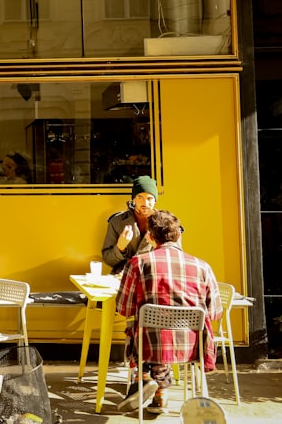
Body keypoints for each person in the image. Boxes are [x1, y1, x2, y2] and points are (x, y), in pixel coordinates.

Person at [115, 209, 222, 414]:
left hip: (150, 344)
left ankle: (143, 378)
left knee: (144, 328)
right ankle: (158, 392)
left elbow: (124, 309)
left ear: (151, 237)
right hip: (191, 345)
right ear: (179, 234)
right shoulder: (203, 267)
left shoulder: (137, 264)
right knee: (158, 331)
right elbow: (214, 312)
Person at [101, 175, 159, 274]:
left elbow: (174, 258)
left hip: (153, 276)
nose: (145, 203)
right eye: (140, 197)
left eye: (149, 198)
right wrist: (120, 247)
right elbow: (108, 260)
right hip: (123, 277)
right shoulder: (117, 221)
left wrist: (158, 247)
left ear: (155, 200)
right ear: (133, 199)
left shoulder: (167, 223)